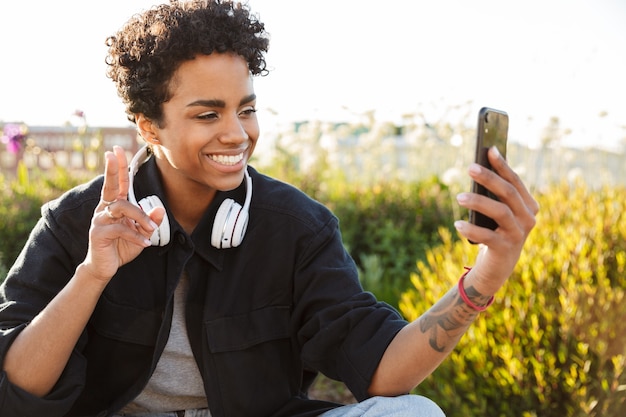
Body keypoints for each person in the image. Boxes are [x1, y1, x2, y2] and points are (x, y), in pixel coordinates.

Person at [0, 1, 539, 416]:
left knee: (412, 413)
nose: (237, 134)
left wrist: (489, 273)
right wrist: (92, 274)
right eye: (207, 114)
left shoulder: (298, 227)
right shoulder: (74, 222)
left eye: (246, 108)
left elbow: (382, 374)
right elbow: (17, 390)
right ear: (148, 126)